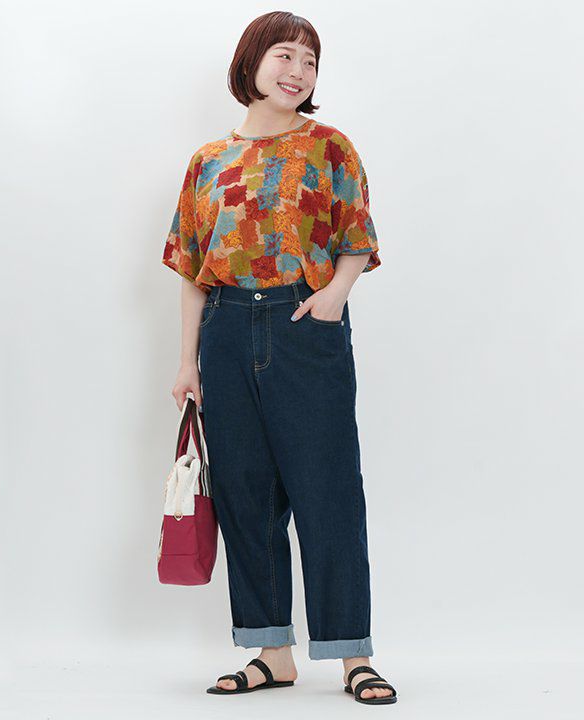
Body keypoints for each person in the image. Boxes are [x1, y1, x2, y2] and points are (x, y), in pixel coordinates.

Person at [161, 10, 398, 706]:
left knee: (328, 492)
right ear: (252, 62)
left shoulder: (329, 148)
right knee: (246, 497)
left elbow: (356, 235)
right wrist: (187, 361)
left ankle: (352, 655)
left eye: (310, 61)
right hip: (226, 330)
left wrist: (334, 296)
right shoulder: (208, 161)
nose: (298, 72)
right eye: (285, 56)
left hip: (303, 325)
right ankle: (271, 652)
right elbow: (192, 268)